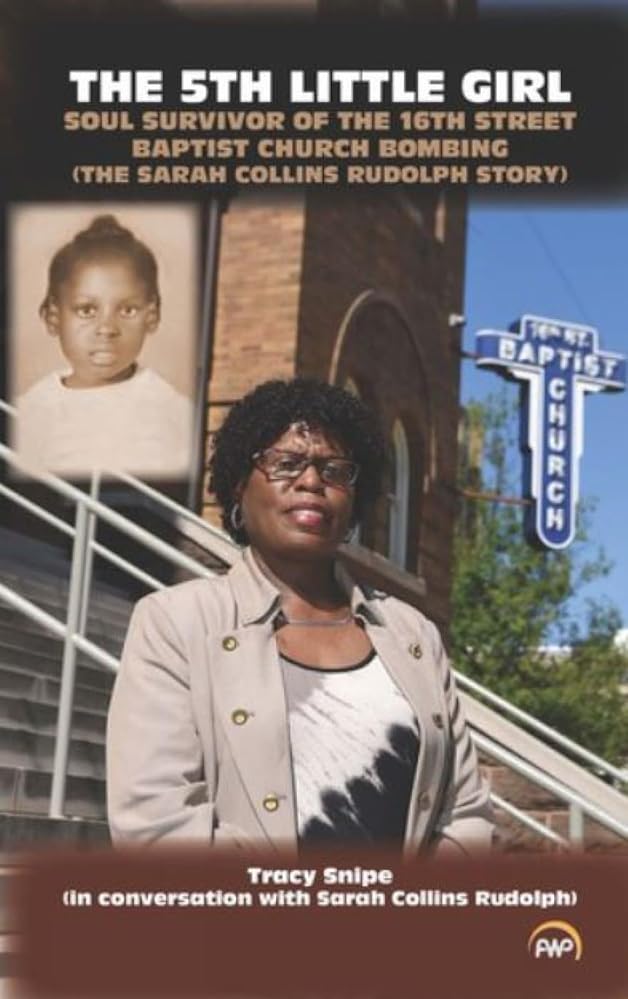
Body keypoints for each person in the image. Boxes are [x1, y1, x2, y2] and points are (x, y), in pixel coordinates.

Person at [107, 378, 493, 854]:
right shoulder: (176, 624)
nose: (311, 482)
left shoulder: (411, 634)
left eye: (334, 470)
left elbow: (467, 815)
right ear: (237, 489)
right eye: (285, 464)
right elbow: (154, 826)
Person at [15, 214, 192, 478]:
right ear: (54, 316)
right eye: (86, 310)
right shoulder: (30, 411)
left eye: (128, 310)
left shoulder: (173, 411)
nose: (107, 328)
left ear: (151, 315)